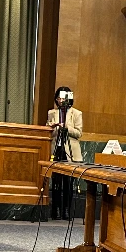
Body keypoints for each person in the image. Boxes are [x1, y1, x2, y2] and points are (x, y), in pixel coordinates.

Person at [46, 86, 83, 220]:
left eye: (63, 97)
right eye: (59, 98)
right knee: (56, 182)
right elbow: (48, 132)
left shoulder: (77, 113)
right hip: (56, 149)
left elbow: (79, 133)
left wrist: (66, 127)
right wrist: (53, 127)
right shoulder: (52, 113)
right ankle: (55, 210)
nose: (61, 100)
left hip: (70, 151)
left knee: (68, 183)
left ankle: (66, 210)